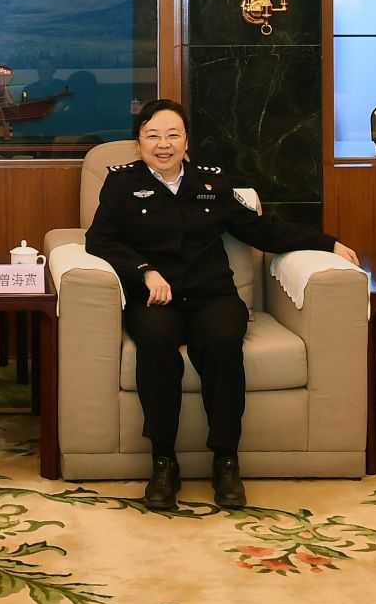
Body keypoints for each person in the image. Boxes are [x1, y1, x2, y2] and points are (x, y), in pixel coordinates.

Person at [85, 98, 357, 511]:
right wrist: (144, 271)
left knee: (222, 342)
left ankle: (226, 460)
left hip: (212, 296)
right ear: (138, 143)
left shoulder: (210, 183)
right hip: (156, 300)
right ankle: (164, 461)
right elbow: (100, 240)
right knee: (155, 344)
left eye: (172, 135)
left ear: (186, 141)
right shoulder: (121, 185)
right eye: (152, 136)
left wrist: (327, 243)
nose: (163, 144)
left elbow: (261, 230)